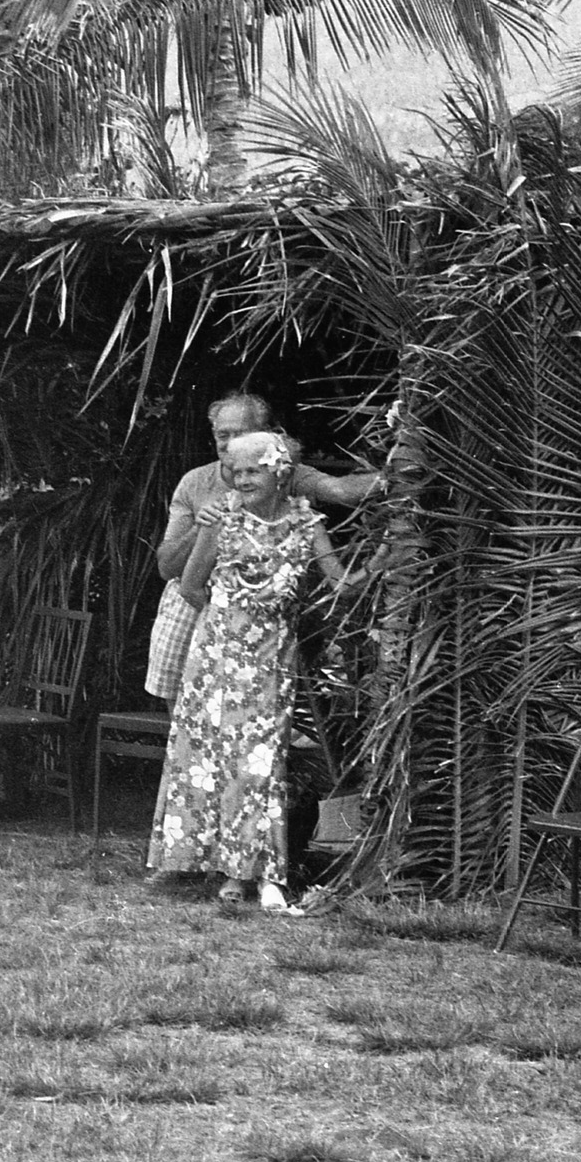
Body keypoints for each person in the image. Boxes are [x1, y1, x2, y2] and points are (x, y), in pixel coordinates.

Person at [148, 431, 356, 912]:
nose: (241, 480)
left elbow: (342, 586)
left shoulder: (306, 523)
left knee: (260, 764)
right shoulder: (219, 519)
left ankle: (253, 872)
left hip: (270, 660)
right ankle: (208, 865)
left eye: (252, 471)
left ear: (280, 471)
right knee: (205, 758)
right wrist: (228, 621)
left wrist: (384, 558)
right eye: (235, 472)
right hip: (215, 656)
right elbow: (191, 585)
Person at [146, 390, 384, 703]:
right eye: (222, 434)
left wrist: (396, 475)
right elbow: (168, 569)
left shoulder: (284, 475)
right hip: (196, 606)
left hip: (262, 621)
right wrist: (201, 529)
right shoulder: (195, 482)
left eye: (240, 433)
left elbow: (339, 490)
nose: (230, 442)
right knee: (184, 712)